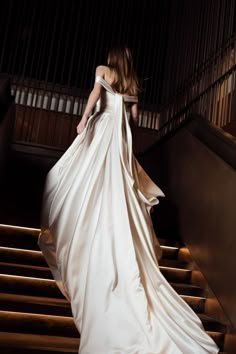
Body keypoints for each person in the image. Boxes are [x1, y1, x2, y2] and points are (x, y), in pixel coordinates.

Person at [38, 46, 219, 353]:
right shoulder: (132, 82)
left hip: (102, 133)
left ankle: (91, 223)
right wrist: (125, 122)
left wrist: (84, 120)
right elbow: (134, 118)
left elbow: (95, 96)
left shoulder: (103, 71)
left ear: (111, 60)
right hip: (119, 140)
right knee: (118, 184)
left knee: (84, 179)